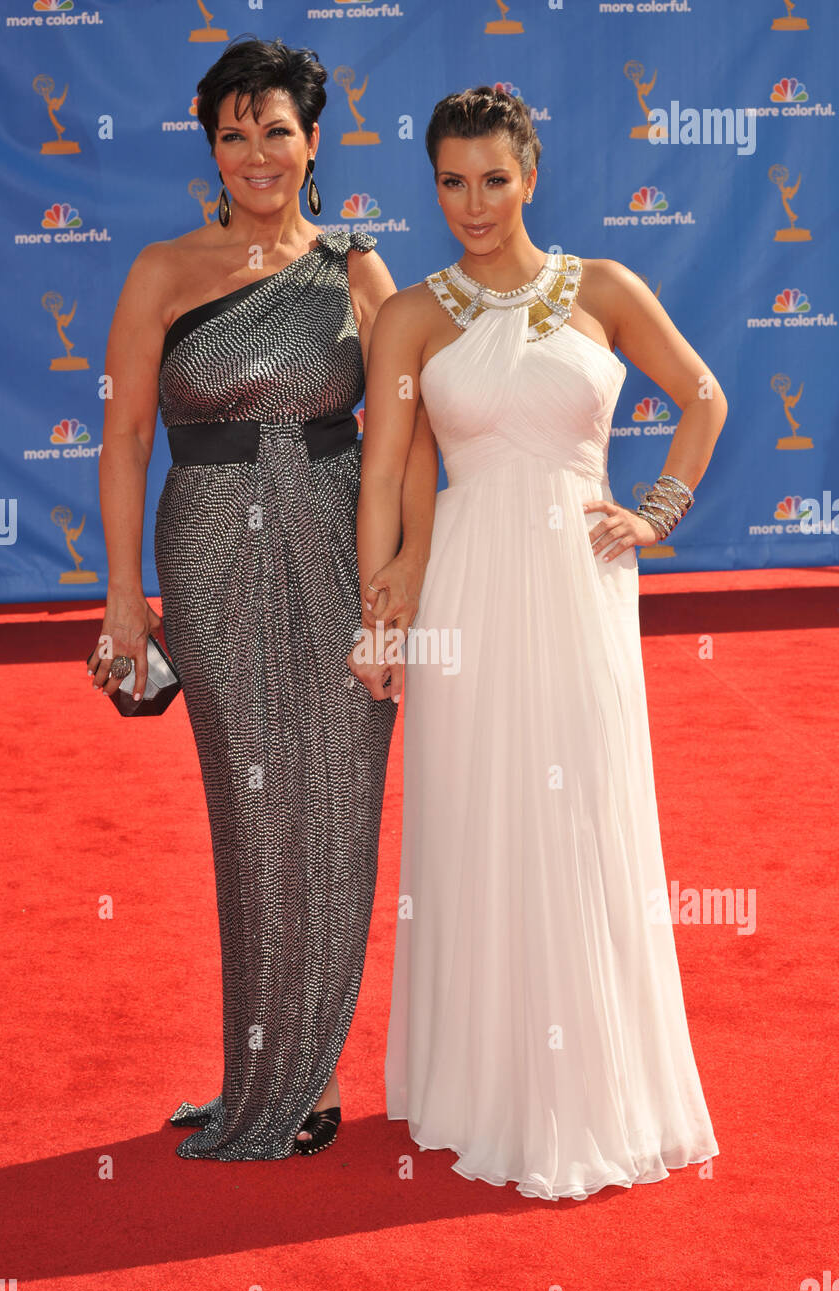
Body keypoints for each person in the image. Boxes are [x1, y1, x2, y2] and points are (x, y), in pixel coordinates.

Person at [350, 86, 726, 1201]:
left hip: (579, 585)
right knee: (480, 817)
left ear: (532, 174)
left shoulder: (605, 289)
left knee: (583, 814)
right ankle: (480, 1085)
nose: (475, 202)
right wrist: (380, 616)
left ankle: (593, 1089)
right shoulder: (413, 314)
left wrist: (657, 510)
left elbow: (702, 396)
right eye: (453, 182)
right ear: (434, 185)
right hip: (465, 588)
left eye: (495, 179)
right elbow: (384, 474)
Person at [87, 37, 434, 1160]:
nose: (254, 154)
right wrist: (122, 599)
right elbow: (128, 436)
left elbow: (408, 431)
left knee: (335, 804)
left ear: (313, 140)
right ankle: (255, 1065)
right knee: (252, 818)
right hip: (210, 551)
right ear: (212, 146)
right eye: (232, 134)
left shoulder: (357, 269)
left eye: (274, 130)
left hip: (337, 544)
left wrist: (396, 581)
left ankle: (313, 1073)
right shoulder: (162, 270)